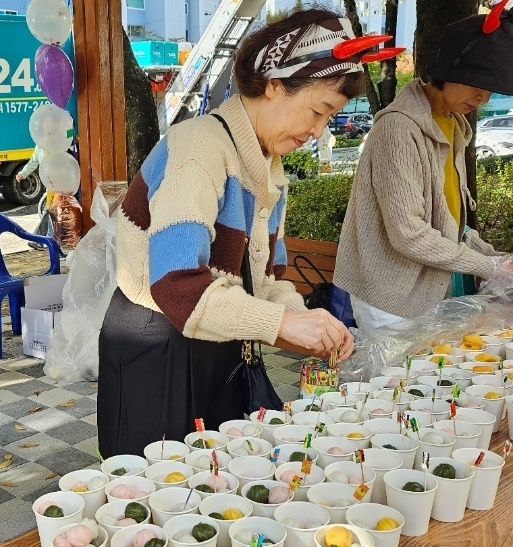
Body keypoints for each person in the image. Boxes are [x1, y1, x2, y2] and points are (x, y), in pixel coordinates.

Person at [97, 9, 390, 457]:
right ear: (274, 85)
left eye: (329, 118)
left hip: (217, 337)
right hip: (158, 340)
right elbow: (177, 286)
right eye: (318, 110)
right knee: (159, 491)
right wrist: (283, 324)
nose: (318, 131)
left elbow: (267, 279)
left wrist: (311, 323)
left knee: (215, 478)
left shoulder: (267, 169)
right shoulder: (199, 146)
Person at [333, 2, 513, 332]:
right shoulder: (399, 128)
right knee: (392, 383)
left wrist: (504, 258)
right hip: (391, 298)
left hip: (429, 291)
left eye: (490, 88)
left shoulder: (453, 124)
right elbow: (408, 234)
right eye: (478, 83)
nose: (484, 98)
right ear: (450, 71)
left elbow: (451, 226)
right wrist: (493, 266)